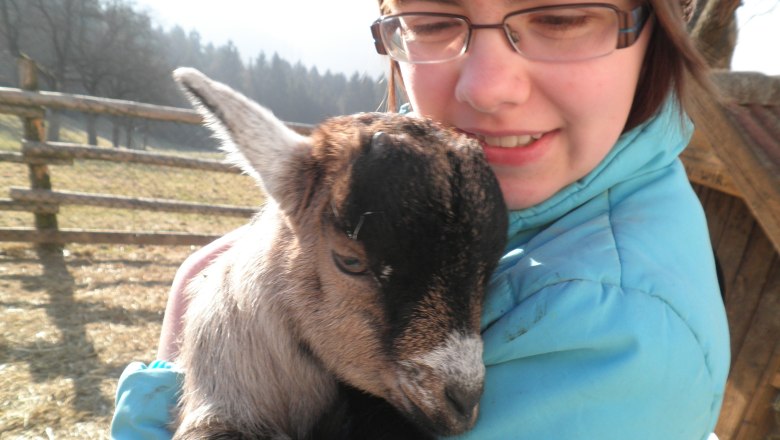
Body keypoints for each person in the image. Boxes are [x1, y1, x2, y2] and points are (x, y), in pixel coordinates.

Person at [111, 0, 730, 438]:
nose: (488, 89)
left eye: (562, 17)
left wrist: (166, 377)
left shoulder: (612, 328)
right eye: (431, 22)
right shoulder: (467, 176)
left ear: (659, 24)